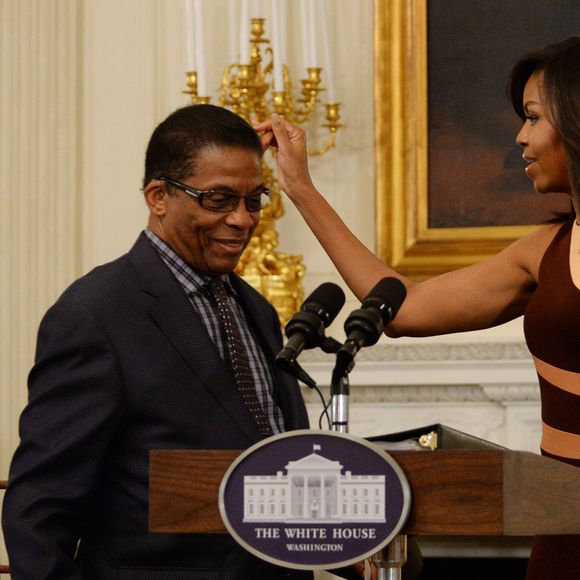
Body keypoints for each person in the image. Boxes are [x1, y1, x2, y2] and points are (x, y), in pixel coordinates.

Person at [255, 36, 580, 580]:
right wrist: (301, 188)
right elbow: (404, 309)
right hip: (563, 519)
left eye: (533, 117)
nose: (520, 137)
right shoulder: (542, 251)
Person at [2, 104, 327, 579]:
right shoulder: (95, 313)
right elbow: (39, 507)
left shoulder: (255, 307)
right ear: (159, 196)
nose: (243, 219)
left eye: (254, 199)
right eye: (219, 200)